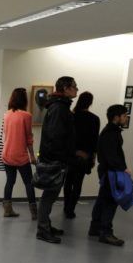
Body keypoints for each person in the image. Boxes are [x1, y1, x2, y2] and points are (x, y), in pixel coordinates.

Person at [36, 76, 78, 244]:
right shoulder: (59, 108)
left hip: (55, 158)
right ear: (66, 88)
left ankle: (46, 225)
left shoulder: (59, 106)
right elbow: (55, 136)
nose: (77, 89)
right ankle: (43, 230)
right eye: (74, 86)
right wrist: (60, 158)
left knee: (50, 194)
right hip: (55, 160)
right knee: (49, 195)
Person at [88, 104, 131, 246]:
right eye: (124, 116)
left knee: (102, 199)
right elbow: (111, 156)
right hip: (111, 172)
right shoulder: (110, 133)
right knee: (110, 202)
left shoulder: (112, 131)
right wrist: (123, 169)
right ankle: (106, 233)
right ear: (116, 117)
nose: (126, 118)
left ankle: (95, 228)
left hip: (107, 171)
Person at [0, 88, 37, 219]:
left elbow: (6, 134)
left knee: (10, 181)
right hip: (20, 155)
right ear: (24, 99)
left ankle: (7, 210)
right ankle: (34, 212)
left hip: (7, 153)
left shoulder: (6, 114)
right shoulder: (27, 116)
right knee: (29, 183)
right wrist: (32, 155)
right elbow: (29, 138)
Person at [63, 91, 99, 219]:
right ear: (90, 103)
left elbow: (66, 137)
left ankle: (66, 206)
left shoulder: (72, 116)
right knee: (78, 183)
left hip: (70, 154)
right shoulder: (94, 119)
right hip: (85, 156)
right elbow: (95, 140)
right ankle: (70, 209)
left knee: (68, 182)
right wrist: (93, 157)